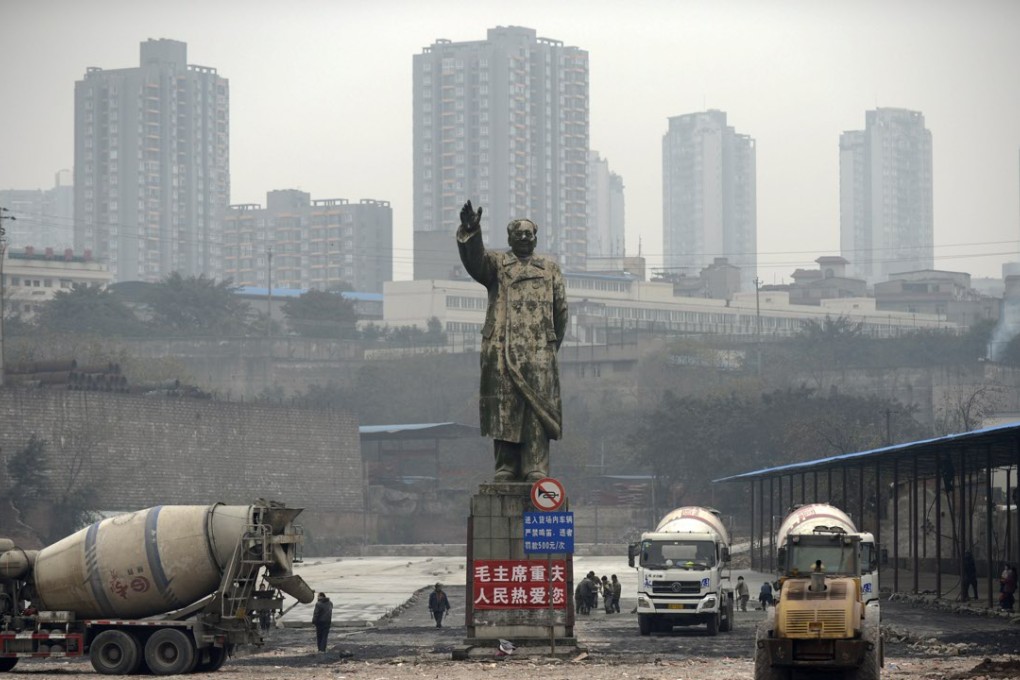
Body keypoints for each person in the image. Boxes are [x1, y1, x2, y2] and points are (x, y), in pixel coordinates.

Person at [456, 200, 568, 483]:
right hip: (501, 347)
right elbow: (475, 262)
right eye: (517, 234)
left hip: (538, 350)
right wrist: (471, 230)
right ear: (509, 238)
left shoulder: (550, 269)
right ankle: (505, 465)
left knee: (535, 409)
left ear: (536, 237)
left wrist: (549, 345)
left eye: (528, 234)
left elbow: (561, 311)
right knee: (503, 407)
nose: (523, 238)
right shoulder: (497, 264)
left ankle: (535, 466)